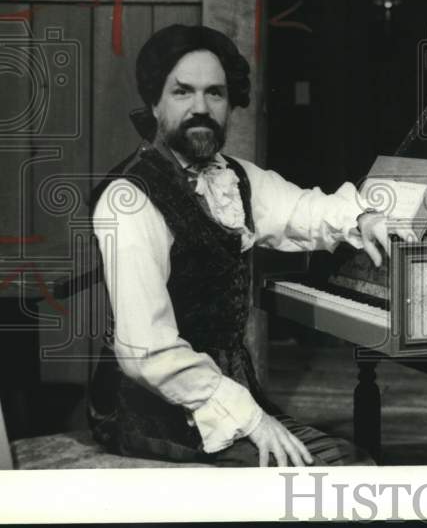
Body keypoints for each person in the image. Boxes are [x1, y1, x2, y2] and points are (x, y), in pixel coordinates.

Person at [88, 23, 388, 467]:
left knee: (347, 464)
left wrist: (361, 217)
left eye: (215, 94)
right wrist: (251, 419)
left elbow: (301, 210)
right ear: (154, 103)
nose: (201, 108)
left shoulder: (236, 179)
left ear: (230, 105)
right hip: (150, 410)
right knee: (341, 472)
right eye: (182, 92)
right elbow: (144, 350)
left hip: (228, 396)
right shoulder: (130, 198)